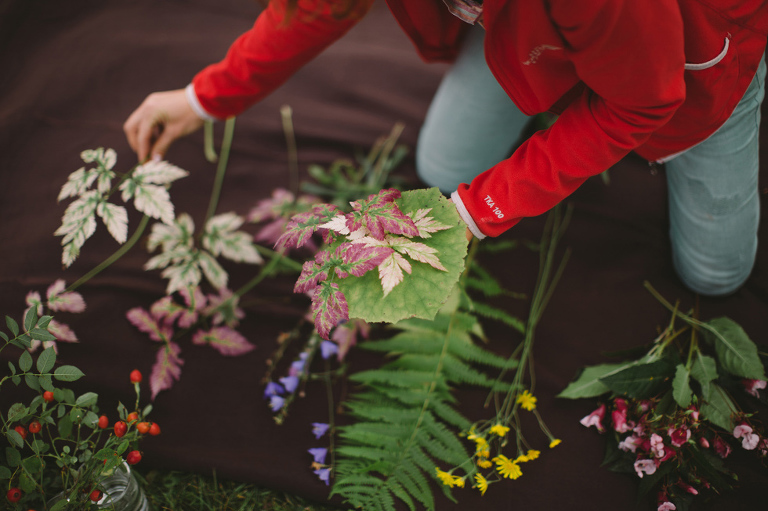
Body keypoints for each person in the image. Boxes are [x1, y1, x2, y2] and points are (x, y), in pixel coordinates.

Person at [124, 0, 768, 297]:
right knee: (440, 167)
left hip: (687, 68)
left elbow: (642, 102)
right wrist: (205, 97)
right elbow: (316, 7)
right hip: (529, 33)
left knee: (715, 277)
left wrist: (470, 214)